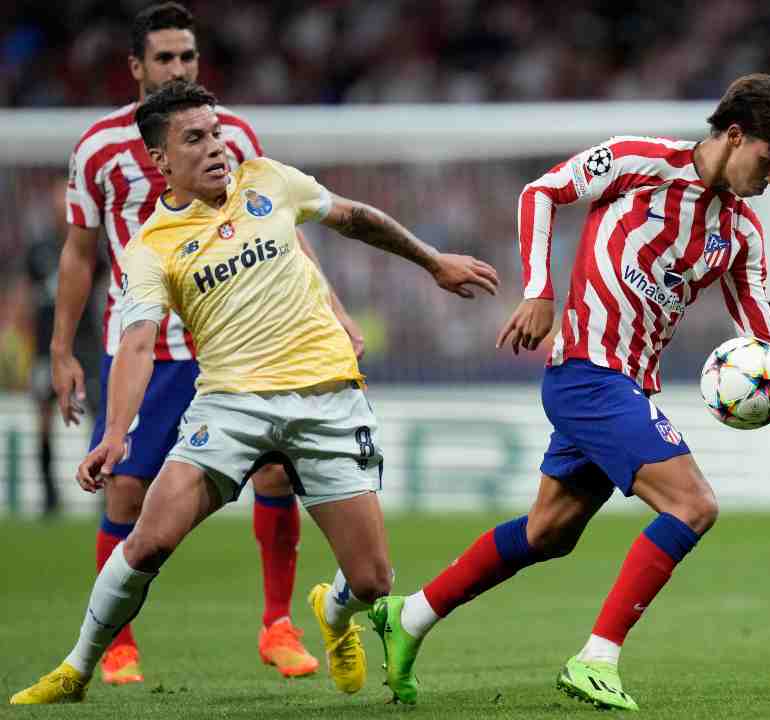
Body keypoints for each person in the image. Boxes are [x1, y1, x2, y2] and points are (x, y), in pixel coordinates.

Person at [366, 73, 770, 709]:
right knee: (693, 505)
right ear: (735, 136)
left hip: (626, 386)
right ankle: (596, 657)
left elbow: (767, 349)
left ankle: (408, 616)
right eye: (768, 163)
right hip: (586, 373)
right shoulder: (639, 162)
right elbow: (540, 193)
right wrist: (538, 290)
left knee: (549, 533)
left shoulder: (739, 236)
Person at [9, 79, 501, 705]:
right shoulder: (151, 248)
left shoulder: (267, 180)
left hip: (326, 402)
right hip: (230, 408)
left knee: (374, 581)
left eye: (215, 132)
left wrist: (433, 261)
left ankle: (334, 613)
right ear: (161, 159)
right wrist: (113, 435)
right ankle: (77, 668)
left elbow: (355, 218)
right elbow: (136, 341)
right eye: (195, 138)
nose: (216, 146)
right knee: (149, 538)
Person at [52, 2, 365, 683]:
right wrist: (59, 350)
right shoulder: (98, 149)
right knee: (127, 492)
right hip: (144, 343)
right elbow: (78, 254)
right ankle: (121, 642)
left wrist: (335, 307)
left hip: (234, 339)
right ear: (135, 67)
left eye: (187, 58)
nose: (177, 69)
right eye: (164, 58)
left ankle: (277, 622)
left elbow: (284, 227)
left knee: (277, 472)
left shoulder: (233, 134)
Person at [25, 176, 103, 518]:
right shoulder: (38, 251)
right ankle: (49, 497)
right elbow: (26, 299)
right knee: (44, 418)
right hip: (46, 348)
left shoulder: (92, 252)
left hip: (85, 347)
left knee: (98, 417)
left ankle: (105, 491)